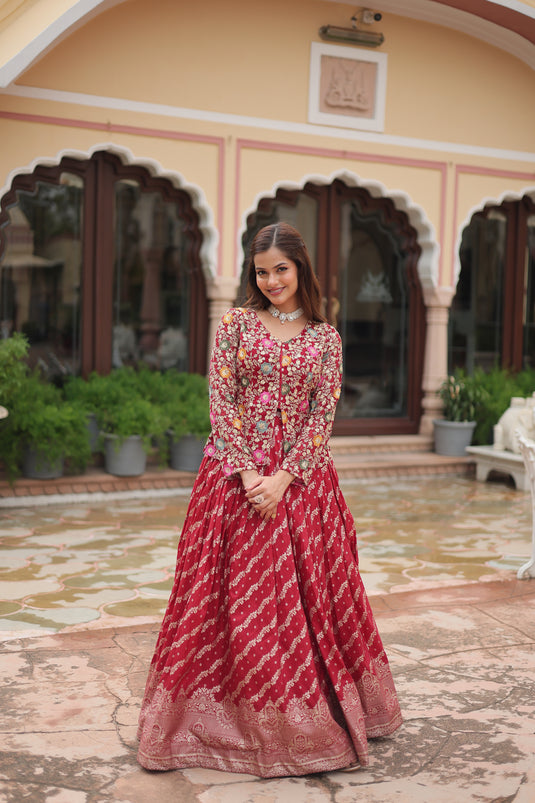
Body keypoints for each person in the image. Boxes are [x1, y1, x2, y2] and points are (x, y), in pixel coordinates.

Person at [137, 222, 402, 777]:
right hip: (232, 481)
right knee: (228, 599)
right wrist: (249, 473)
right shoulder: (235, 324)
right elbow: (221, 399)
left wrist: (283, 478)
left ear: (301, 268)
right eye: (262, 271)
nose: (272, 280)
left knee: (310, 603)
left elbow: (320, 417)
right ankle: (222, 721)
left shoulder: (325, 339)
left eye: (281, 268)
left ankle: (308, 716)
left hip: (302, 486)